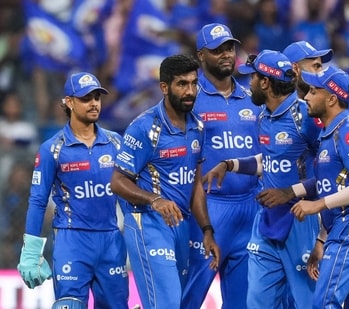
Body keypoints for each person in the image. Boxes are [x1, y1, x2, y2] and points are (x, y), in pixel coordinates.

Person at [203, 50, 321, 308]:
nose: (249, 84)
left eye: (253, 78)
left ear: (266, 82)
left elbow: (329, 171)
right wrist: (230, 164)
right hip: (266, 220)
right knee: (257, 302)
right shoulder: (264, 117)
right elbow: (269, 161)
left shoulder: (306, 117)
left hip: (300, 220)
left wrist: (290, 192)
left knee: (307, 301)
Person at [110, 54, 220, 309]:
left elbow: (194, 183)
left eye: (194, 83)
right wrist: (155, 200)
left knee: (174, 303)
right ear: (164, 87)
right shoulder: (144, 127)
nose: (190, 91)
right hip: (147, 223)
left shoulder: (198, 127)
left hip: (180, 226)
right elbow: (117, 181)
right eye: (182, 84)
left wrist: (207, 231)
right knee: (168, 303)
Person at [17, 72, 129, 307]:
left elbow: (129, 193)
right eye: (86, 98)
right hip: (72, 241)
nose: (94, 103)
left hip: (111, 240)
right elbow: (38, 200)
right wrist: (31, 251)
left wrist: (138, 234)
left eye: (97, 97)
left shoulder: (116, 142)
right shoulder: (53, 149)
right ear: (69, 102)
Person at [288, 65, 349, 308]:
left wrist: (317, 205)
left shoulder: (348, 132)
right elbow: (331, 184)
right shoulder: (330, 133)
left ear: (331, 99)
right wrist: (321, 239)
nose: (306, 97)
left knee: (325, 301)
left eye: (312, 91)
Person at [181, 23, 261, 309]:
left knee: (243, 302)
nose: (226, 54)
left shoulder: (252, 98)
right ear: (201, 55)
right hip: (209, 209)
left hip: (250, 208)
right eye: (217, 50)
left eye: (229, 47)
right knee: (187, 296)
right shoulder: (190, 99)